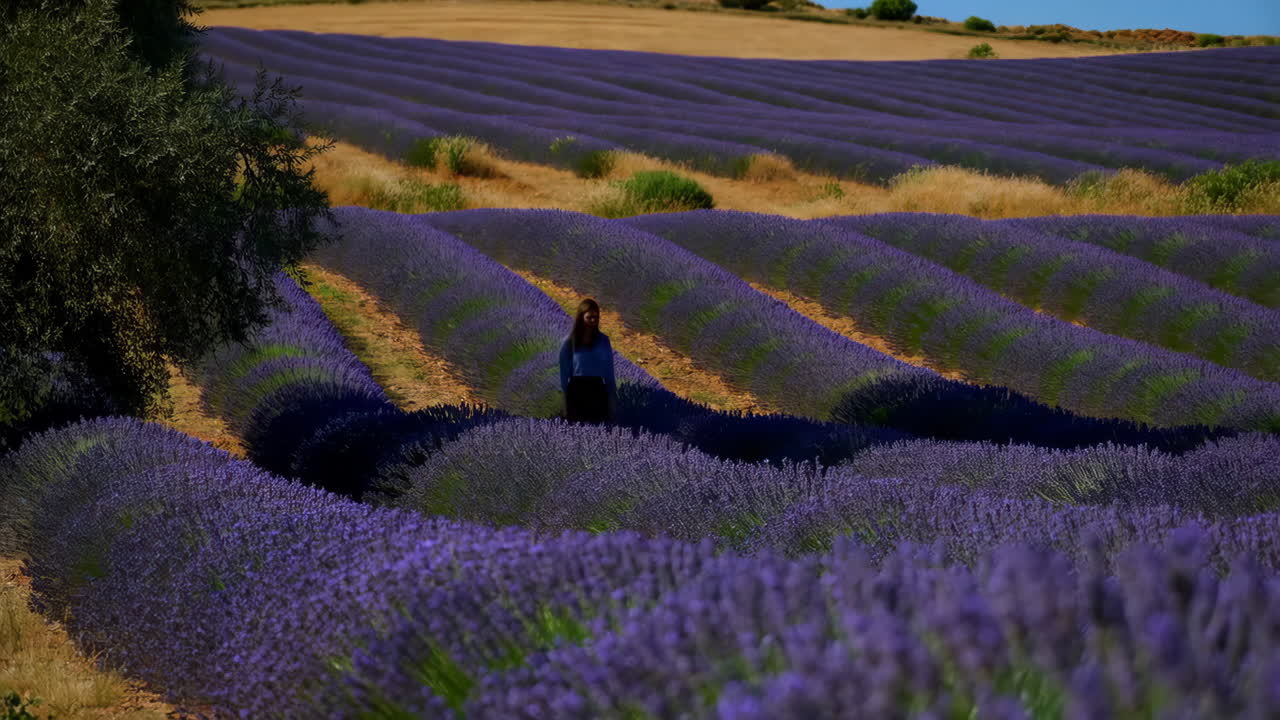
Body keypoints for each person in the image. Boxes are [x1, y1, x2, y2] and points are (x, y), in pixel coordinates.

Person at [559, 298, 617, 423]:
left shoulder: (603, 341)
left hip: (598, 390)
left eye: (596, 317)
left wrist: (612, 400)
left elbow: (609, 371)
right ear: (581, 318)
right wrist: (565, 402)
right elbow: (564, 375)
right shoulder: (569, 343)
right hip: (577, 391)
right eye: (589, 317)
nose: (593, 321)